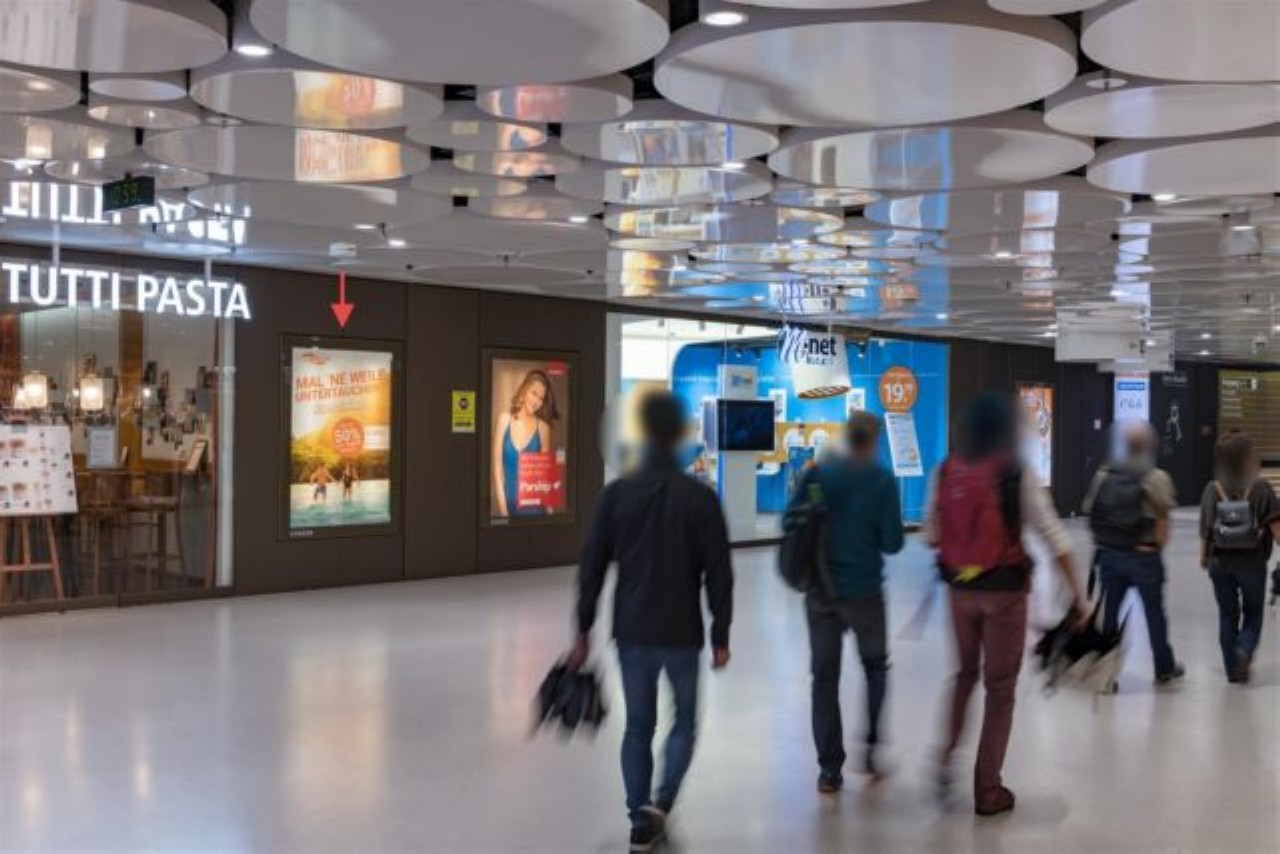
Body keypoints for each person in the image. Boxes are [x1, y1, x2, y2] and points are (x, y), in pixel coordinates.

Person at [572, 391, 733, 852]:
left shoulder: (616, 496)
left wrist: (583, 629)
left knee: (638, 726)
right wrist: (721, 634)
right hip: (682, 631)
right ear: (680, 434)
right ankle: (659, 806)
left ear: (641, 432)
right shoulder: (701, 499)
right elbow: (719, 573)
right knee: (684, 721)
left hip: (633, 630)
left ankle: (638, 815)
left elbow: (592, 567)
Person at [926, 392, 1087, 817]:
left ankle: (944, 760)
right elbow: (1055, 538)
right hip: (1004, 595)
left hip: (959, 593)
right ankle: (988, 789)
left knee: (964, 674)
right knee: (1000, 690)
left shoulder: (946, 471)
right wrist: (1079, 595)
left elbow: (930, 535)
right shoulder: (1016, 473)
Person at [787, 411, 904, 793]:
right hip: (865, 593)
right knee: (875, 669)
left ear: (847, 437)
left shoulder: (819, 474)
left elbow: (789, 521)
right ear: (874, 440)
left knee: (824, 679)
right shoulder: (882, 481)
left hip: (821, 593)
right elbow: (893, 543)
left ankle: (829, 770)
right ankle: (869, 751)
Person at [1084, 421, 1185, 684]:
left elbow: (1091, 513)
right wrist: (1152, 547)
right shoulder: (1156, 477)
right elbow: (1163, 527)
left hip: (1109, 555)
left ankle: (1106, 674)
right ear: (1151, 447)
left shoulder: (1104, 474)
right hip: (1144, 556)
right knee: (1154, 614)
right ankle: (1164, 668)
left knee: (1110, 615)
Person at [1198, 433, 1280, 684]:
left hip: (1220, 562)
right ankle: (1244, 650)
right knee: (1253, 612)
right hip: (1252, 563)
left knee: (1227, 614)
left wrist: (1203, 557)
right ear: (1246, 459)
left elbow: (1206, 529)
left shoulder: (1212, 488)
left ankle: (1232, 671)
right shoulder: (1261, 488)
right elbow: (1278, 532)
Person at [492, 369, 558, 518]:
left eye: (541, 398)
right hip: (509, 509)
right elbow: (498, 471)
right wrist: (504, 514)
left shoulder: (543, 428)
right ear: (524, 389)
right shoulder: (504, 420)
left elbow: (545, 478)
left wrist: (552, 518)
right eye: (534, 393)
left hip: (536, 511)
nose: (536, 402)